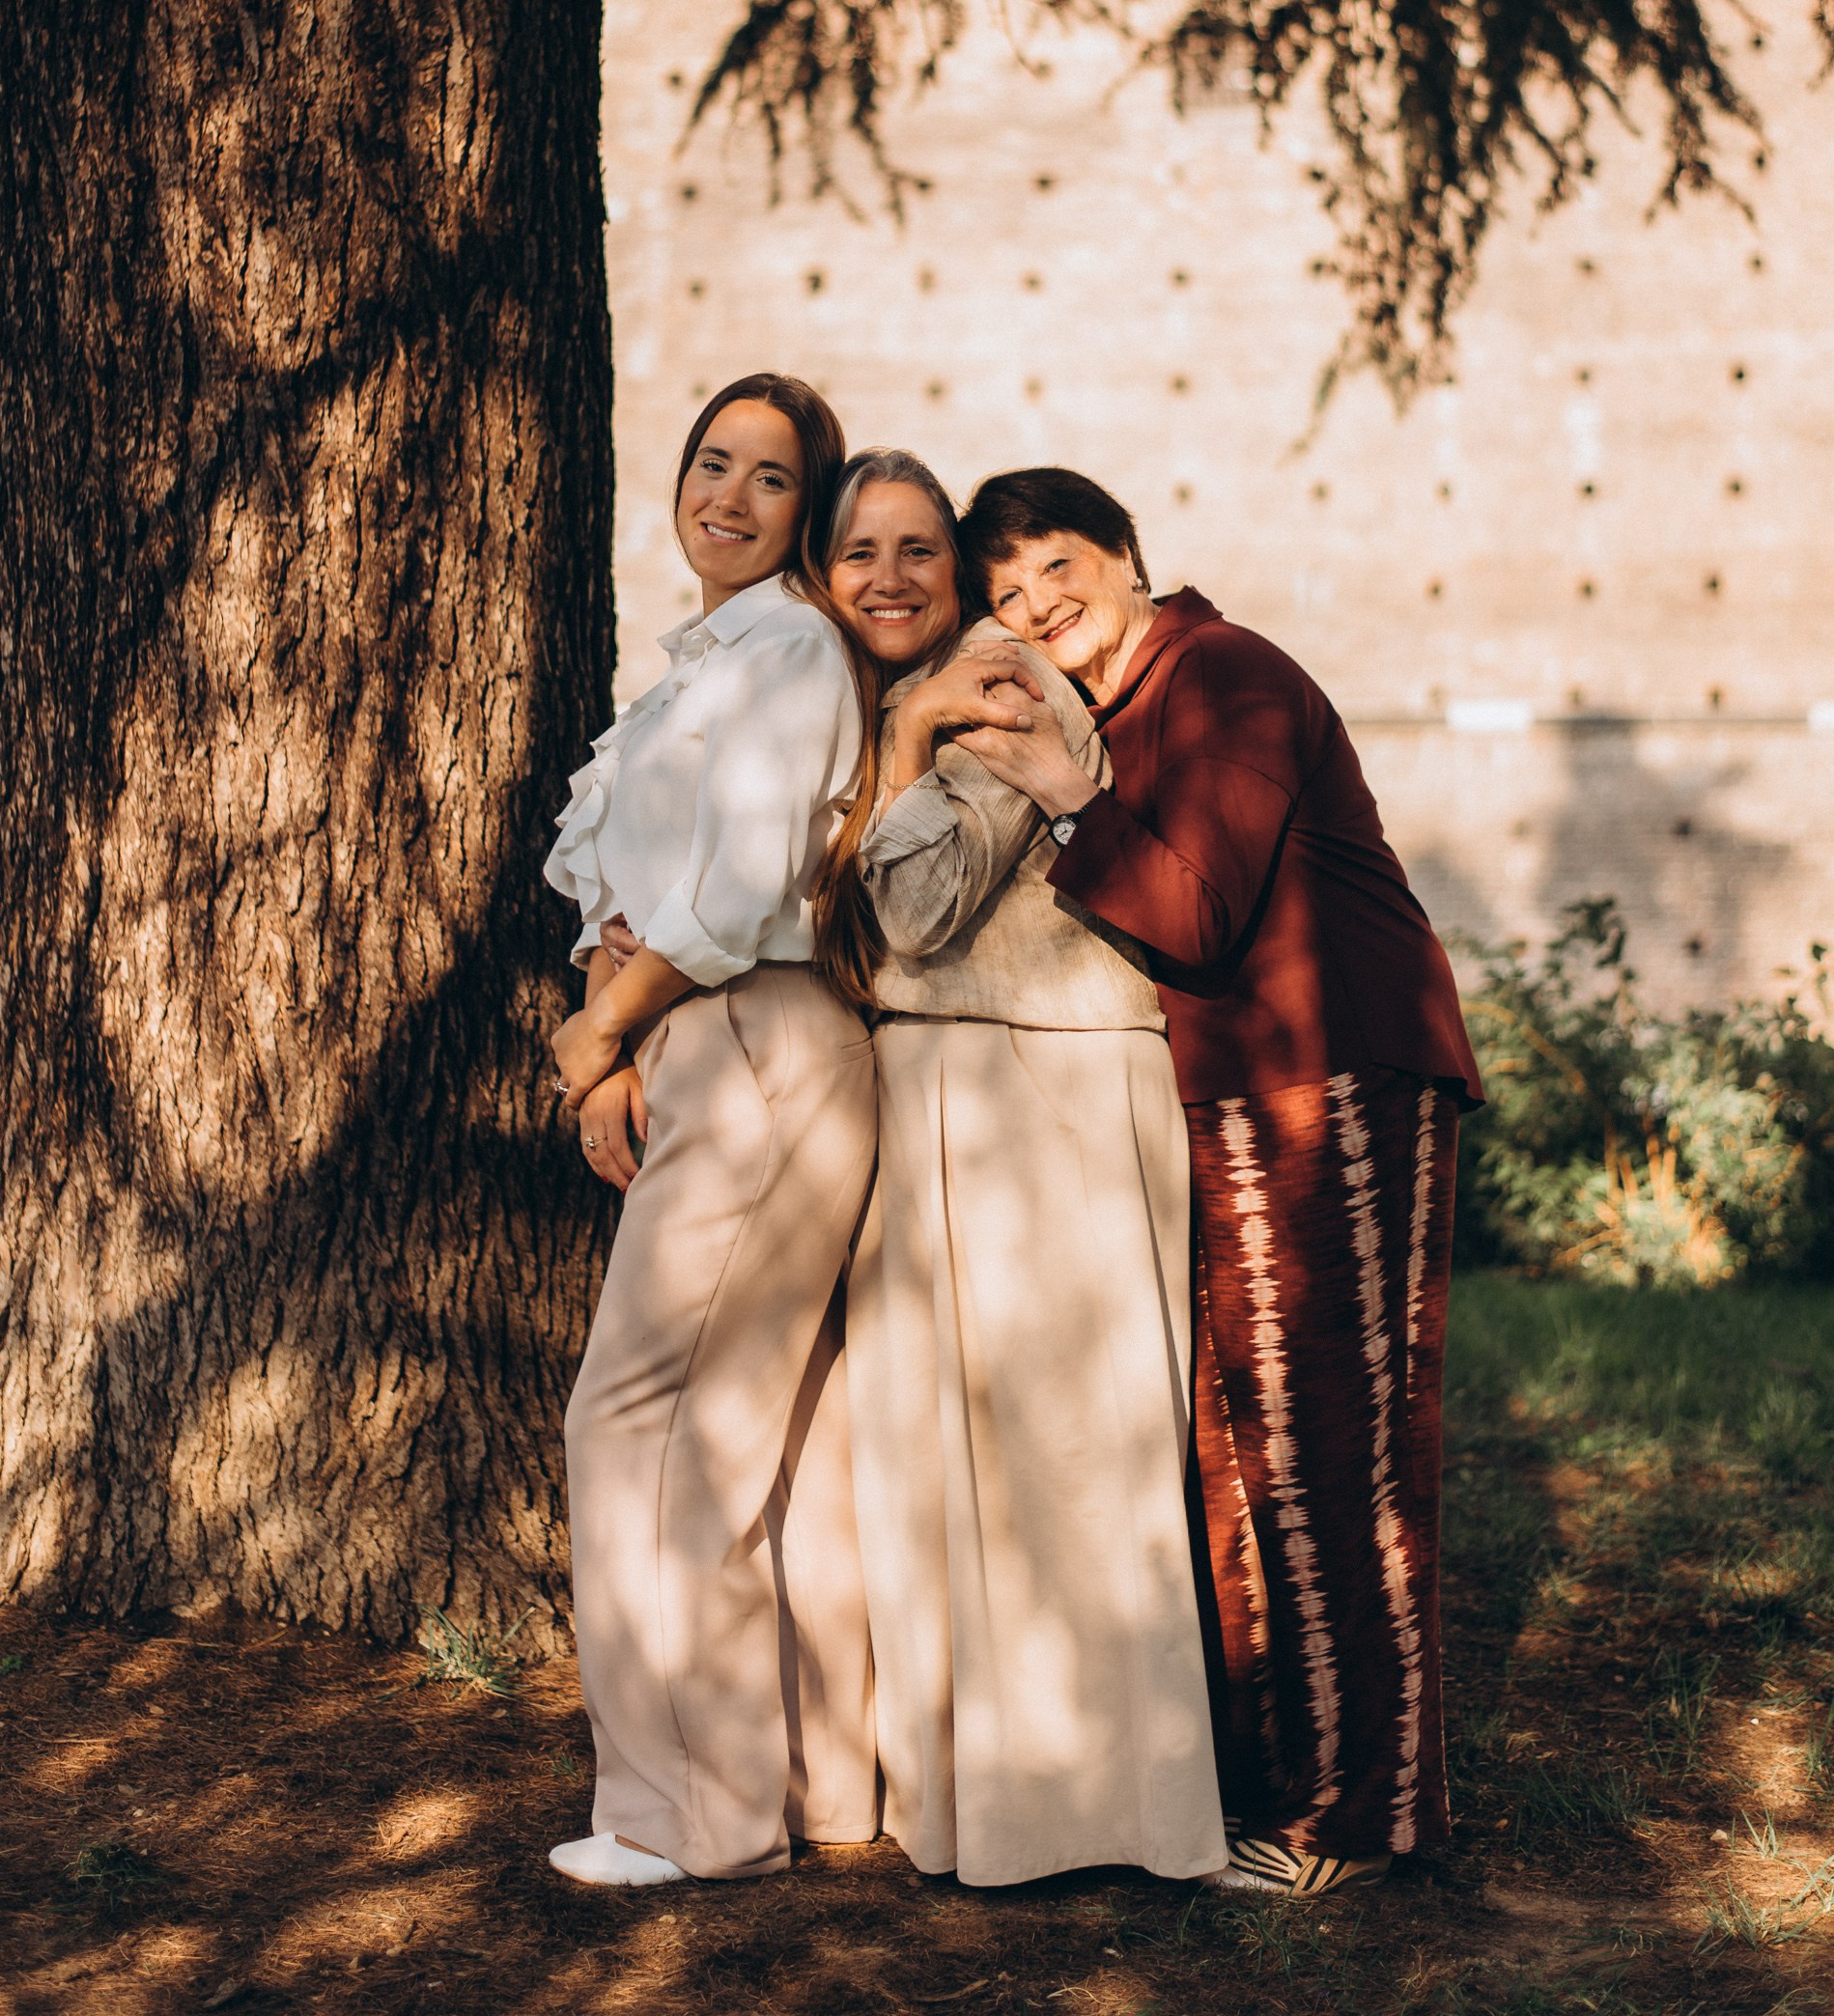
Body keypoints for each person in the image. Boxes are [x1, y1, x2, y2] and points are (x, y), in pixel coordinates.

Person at [953, 467, 1483, 1902]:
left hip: (1340, 1076)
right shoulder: (1126, 705)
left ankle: (1356, 1817)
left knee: (1332, 1446)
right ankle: (1278, 1782)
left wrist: (1066, 798)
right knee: (1241, 1450)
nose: (1034, 606)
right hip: (1247, 1097)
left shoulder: (1223, 674)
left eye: (1056, 567)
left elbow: (1192, 907)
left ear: (1127, 557)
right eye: (1003, 595)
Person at [814, 447, 1226, 1889]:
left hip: (1032, 1072)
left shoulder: (1001, 682)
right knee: (969, 1463)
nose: (897, 582)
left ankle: (1103, 1809)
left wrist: (916, 733)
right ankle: (994, 1799)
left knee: (1063, 1461)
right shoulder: (912, 699)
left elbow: (915, 904)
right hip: (959, 1076)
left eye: (924, 554)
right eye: (864, 553)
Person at [541, 374, 880, 1888]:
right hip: (698, 1041)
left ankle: (685, 1823)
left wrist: (607, 1026)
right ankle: (802, 1790)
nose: (729, 498)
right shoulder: (702, 662)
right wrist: (614, 1036)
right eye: (712, 464)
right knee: (738, 1434)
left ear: (807, 514)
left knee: (647, 1425)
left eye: (772, 480)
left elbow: (741, 889)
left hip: (757, 1047)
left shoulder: (791, 645)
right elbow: (624, 883)